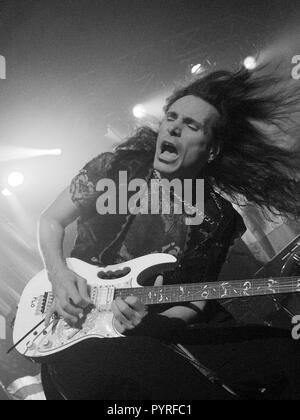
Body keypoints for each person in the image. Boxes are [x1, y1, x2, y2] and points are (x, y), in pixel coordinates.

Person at [39, 65, 300, 400]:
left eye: (190, 125)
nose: (174, 128)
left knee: (286, 354)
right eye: (171, 117)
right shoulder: (116, 168)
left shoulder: (216, 215)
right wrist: (58, 274)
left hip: (153, 327)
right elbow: (50, 221)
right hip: (80, 328)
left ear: (212, 149)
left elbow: (195, 299)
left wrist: (156, 322)